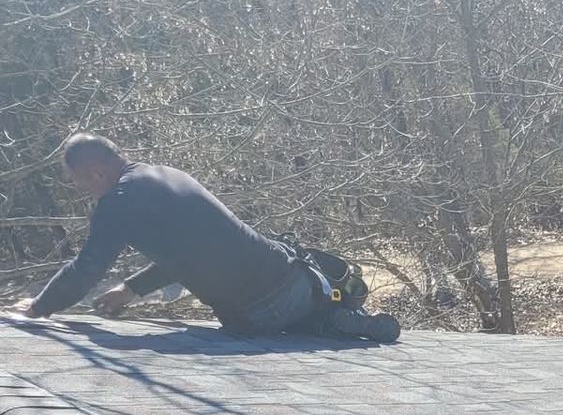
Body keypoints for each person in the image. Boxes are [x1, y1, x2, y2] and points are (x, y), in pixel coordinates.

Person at [9, 134, 399, 343]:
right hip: (295, 279)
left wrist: (40, 307)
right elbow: (191, 253)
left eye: (78, 182)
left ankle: (326, 324)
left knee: (259, 323)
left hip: (256, 314)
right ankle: (331, 319)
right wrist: (130, 291)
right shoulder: (165, 174)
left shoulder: (118, 201)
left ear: (95, 172)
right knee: (296, 307)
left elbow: (87, 267)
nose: (82, 191)